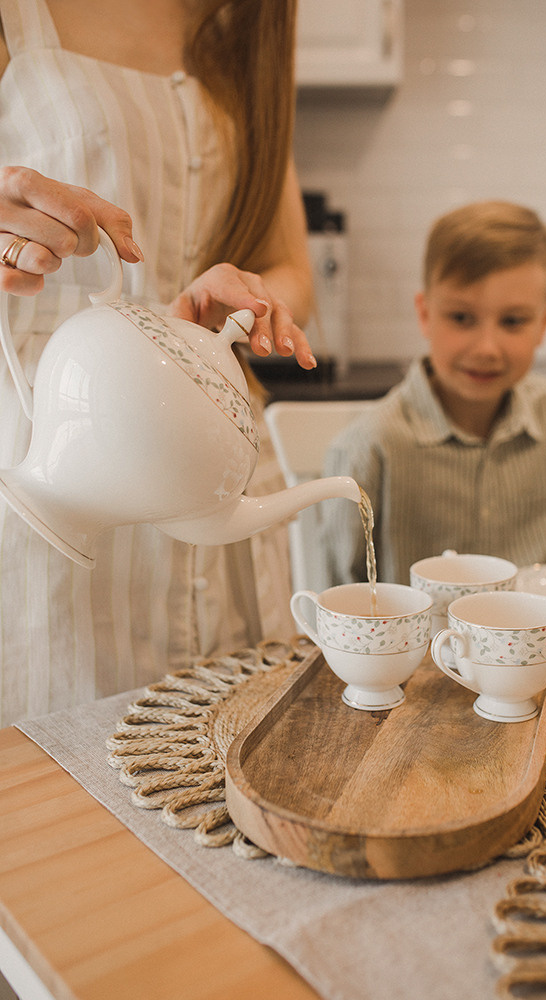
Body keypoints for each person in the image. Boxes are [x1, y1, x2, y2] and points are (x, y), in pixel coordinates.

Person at [0, 0, 315, 726]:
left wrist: (244, 305)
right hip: (52, 453)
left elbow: (287, 262)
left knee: (219, 774)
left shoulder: (244, 27)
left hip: (217, 450)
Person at [321, 200, 546, 587]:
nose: (486, 348)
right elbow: (337, 612)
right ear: (425, 314)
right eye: (462, 318)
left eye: (512, 321)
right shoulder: (369, 446)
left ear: (543, 323)